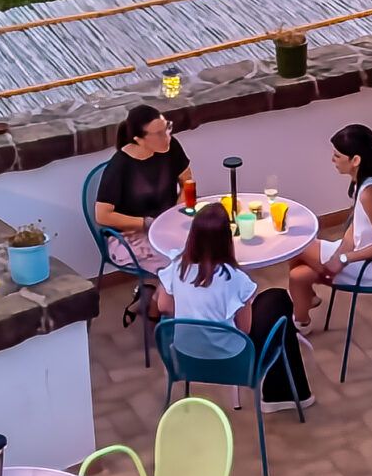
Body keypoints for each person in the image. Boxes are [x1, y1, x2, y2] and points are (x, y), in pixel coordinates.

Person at [285, 123, 372, 331]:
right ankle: (303, 317)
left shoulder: (370, 194)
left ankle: (302, 312)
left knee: (297, 247)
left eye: (337, 156)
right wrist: (339, 254)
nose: (333, 160)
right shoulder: (370, 182)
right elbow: (356, 227)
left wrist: (343, 258)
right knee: (298, 275)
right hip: (363, 256)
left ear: (355, 160)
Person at [92, 105, 190, 280]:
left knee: (205, 250)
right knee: (180, 267)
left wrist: (174, 217)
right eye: (159, 134)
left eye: (167, 128)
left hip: (166, 226)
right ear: (139, 139)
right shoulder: (120, 165)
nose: (166, 136)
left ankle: (152, 300)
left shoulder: (171, 146)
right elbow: (102, 215)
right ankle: (161, 302)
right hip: (130, 235)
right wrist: (147, 224)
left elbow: (188, 183)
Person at [154, 200, 257, 329]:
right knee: (271, 301)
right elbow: (244, 330)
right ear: (227, 237)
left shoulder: (178, 265)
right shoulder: (238, 279)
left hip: (184, 347)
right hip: (224, 349)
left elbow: (164, 306)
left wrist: (192, 316)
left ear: (193, 235)